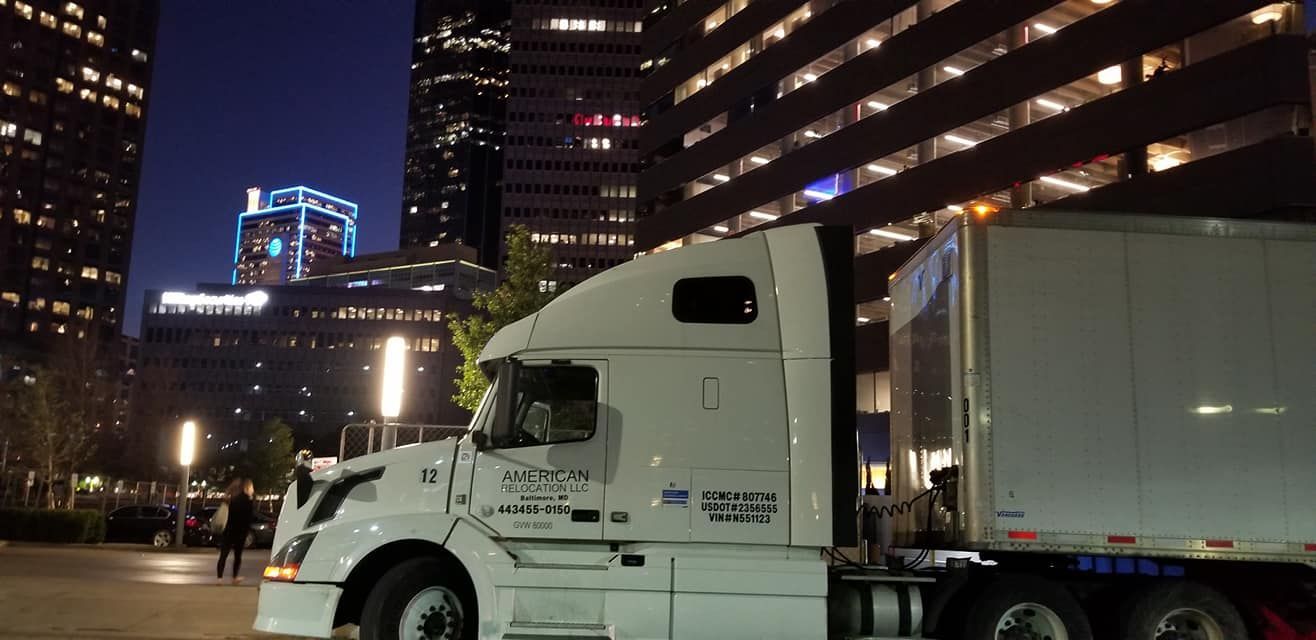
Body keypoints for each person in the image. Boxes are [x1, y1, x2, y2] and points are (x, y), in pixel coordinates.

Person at [216, 478, 254, 585]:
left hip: (229, 530)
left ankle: (219, 578)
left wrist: (230, 488)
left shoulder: (233, 499)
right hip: (240, 532)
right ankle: (234, 577)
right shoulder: (248, 500)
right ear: (248, 488)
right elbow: (248, 518)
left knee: (224, 554)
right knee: (237, 556)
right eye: (252, 487)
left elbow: (225, 505)